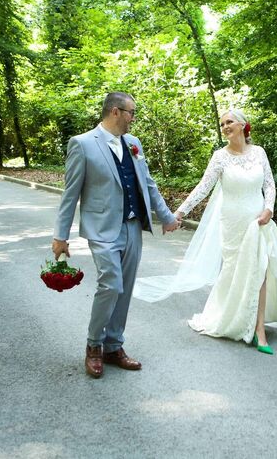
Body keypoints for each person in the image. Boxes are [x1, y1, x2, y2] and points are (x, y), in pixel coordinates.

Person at [136, 109, 277, 355]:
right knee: (234, 272)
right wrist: (178, 213)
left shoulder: (259, 153)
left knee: (261, 270)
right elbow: (203, 188)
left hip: (258, 220)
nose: (225, 126)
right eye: (222, 124)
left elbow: (269, 185)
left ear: (243, 125)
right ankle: (232, 317)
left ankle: (258, 329)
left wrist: (269, 209)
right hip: (231, 222)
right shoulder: (220, 157)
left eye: (229, 122)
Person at [52, 92, 179, 378]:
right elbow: (70, 194)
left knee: (125, 288)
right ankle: (94, 345)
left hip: (133, 226)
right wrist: (61, 236)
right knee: (110, 283)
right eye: (131, 112)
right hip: (102, 228)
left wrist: (167, 216)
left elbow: (147, 183)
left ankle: (113, 345)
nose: (134, 118)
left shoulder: (133, 144)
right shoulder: (82, 144)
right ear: (115, 111)